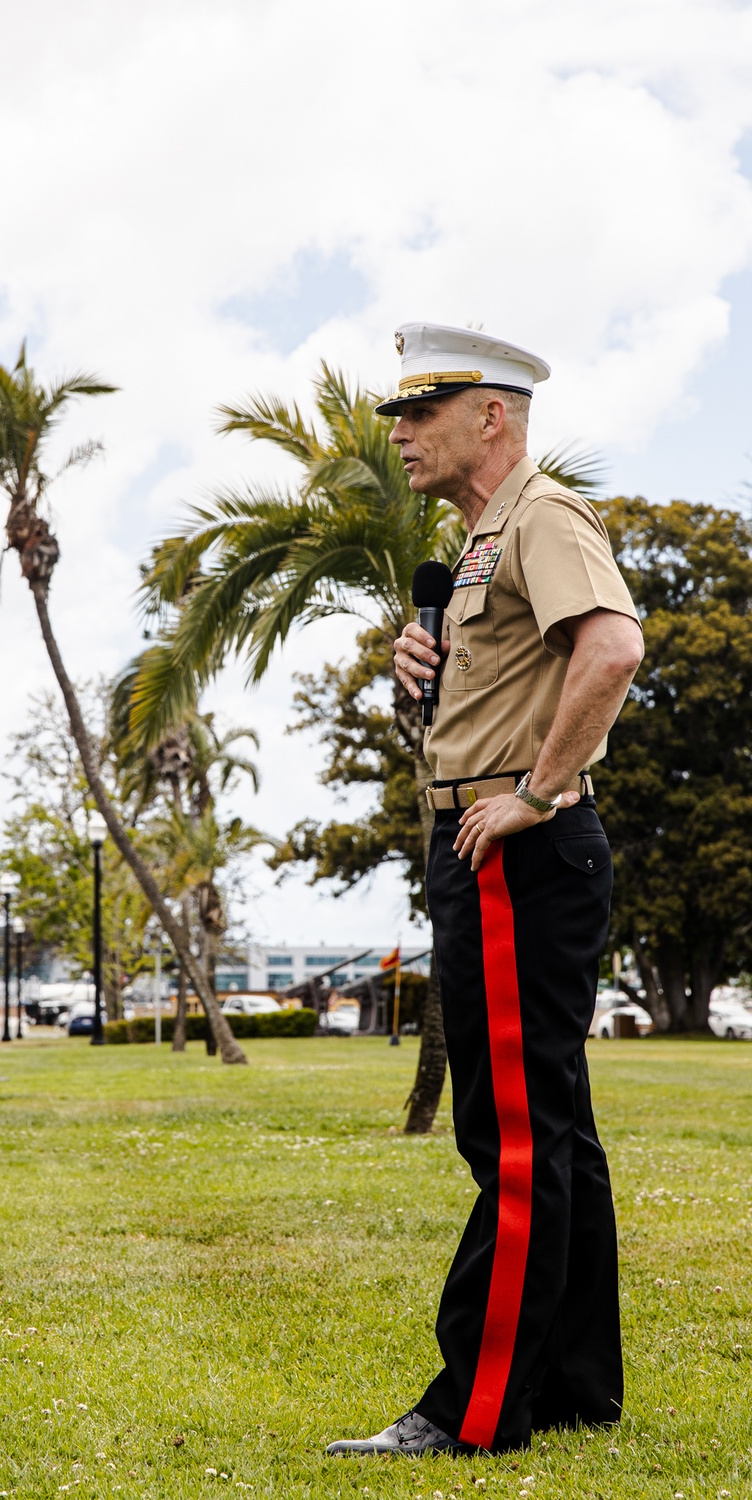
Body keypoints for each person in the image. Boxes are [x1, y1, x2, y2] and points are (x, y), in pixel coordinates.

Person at [326, 323, 644, 1458]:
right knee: (553, 1126)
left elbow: (611, 649)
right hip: (491, 843)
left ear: (490, 416)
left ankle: (473, 1409)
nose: (399, 434)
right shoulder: (473, 548)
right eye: (398, 417)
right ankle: (571, 1385)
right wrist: (418, 666)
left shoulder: (541, 514)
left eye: (419, 413)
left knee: (510, 1136)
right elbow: (519, 671)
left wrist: (533, 793)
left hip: (513, 849)